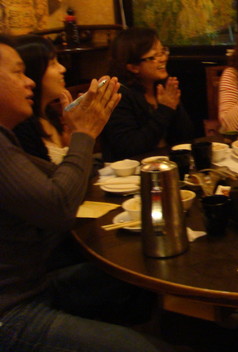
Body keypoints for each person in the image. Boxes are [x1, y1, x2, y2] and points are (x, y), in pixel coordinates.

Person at [0, 34, 172, 352]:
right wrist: (84, 134)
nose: (29, 81)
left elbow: (66, 177)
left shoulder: (6, 138)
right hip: (11, 312)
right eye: (18, 72)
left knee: (139, 275)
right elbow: (59, 206)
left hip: (36, 286)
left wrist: (79, 137)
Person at [102, 27, 194, 161]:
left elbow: (186, 137)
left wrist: (174, 105)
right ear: (133, 67)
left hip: (166, 164)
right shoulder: (118, 95)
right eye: (154, 56)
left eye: (163, 52)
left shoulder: (161, 87)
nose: (163, 59)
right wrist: (165, 109)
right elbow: (130, 149)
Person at [12, 34, 71, 163]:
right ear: (33, 72)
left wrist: (71, 133)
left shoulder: (50, 114)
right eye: (53, 63)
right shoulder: (21, 127)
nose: (62, 68)